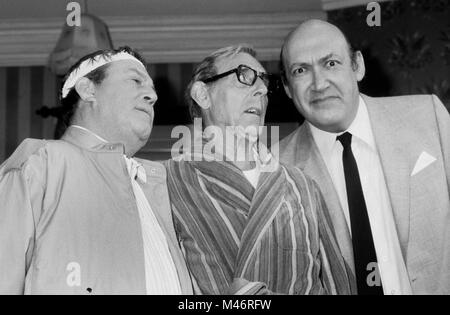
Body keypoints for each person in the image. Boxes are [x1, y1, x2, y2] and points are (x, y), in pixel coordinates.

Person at [275, 19, 450, 295]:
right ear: (287, 87)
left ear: (357, 66)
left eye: (331, 63)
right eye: (301, 70)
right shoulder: (274, 168)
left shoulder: (428, 117)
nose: (319, 84)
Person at [0, 46, 192, 295]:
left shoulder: (162, 185)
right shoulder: (41, 164)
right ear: (88, 89)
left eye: (153, 91)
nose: (152, 96)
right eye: (135, 81)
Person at [164, 44, 352, 295]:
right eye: (244, 76)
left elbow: (338, 283)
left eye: (263, 81)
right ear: (203, 94)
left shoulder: (301, 185)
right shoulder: (169, 181)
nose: (262, 89)